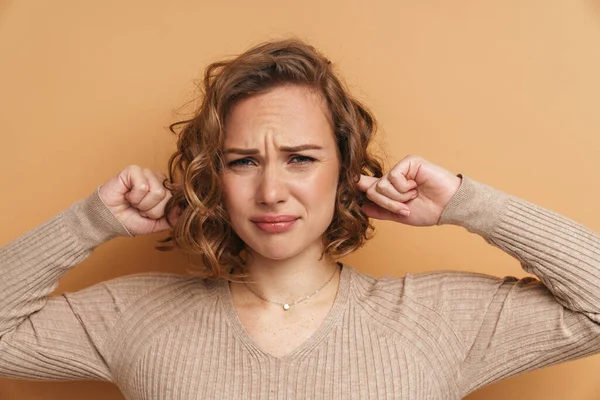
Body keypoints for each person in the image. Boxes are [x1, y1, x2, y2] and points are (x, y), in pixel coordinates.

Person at [1, 38, 599, 400]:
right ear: (213, 177)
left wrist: (469, 203)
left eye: (300, 159)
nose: (270, 190)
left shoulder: (436, 319)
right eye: (242, 162)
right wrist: (90, 222)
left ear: (344, 170)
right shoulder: (135, 316)